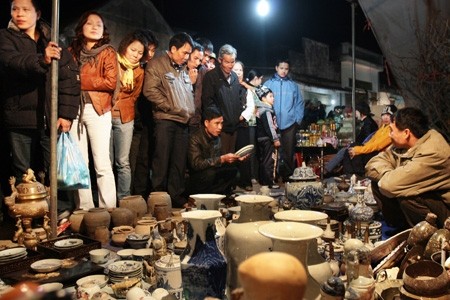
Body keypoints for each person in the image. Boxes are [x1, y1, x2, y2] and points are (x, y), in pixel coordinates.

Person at [0, 0, 80, 183]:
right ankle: (25, 210)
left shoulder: (51, 39)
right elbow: (11, 62)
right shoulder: (5, 37)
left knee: (55, 169)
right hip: (19, 117)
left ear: (38, 13)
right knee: (23, 172)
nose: (19, 14)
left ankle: (59, 209)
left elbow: (69, 76)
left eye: (25, 10)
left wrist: (66, 114)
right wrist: (42, 60)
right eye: (15, 9)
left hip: (49, 118)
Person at [366, 107, 450, 228]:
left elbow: (389, 186)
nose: (389, 135)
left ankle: (428, 236)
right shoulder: (405, 144)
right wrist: (391, 175)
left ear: (406, 133)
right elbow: (372, 163)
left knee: (407, 195)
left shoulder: (433, 152)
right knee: (378, 183)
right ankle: (401, 228)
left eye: (391, 130)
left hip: (445, 211)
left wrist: (392, 177)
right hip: (428, 199)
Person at [69, 11, 118, 209]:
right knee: (80, 165)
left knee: (102, 164)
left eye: (99, 24)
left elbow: (110, 81)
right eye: (90, 23)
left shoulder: (108, 52)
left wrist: (81, 80)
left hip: (99, 109)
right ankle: (84, 210)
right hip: (74, 109)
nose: (95, 26)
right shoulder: (71, 51)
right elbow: (65, 79)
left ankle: (109, 210)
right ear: (82, 27)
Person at [142, 32, 195, 208]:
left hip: (183, 121)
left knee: (179, 163)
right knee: (161, 160)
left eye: (189, 54)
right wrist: (170, 107)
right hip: (165, 120)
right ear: (173, 49)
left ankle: (177, 198)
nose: (187, 57)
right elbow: (150, 91)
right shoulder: (157, 64)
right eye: (184, 53)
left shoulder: (183, 69)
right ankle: (158, 199)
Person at [110, 31, 147, 200]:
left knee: (123, 162)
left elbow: (135, 95)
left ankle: (124, 199)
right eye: (133, 50)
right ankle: (107, 198)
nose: (136, 55)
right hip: (105, 113)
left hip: (126, 116)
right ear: (125, 47)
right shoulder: (112, 61)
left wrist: (124, 104)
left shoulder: (139, 71)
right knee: (106, 161)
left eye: (140, 53)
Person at [187, 106, 248, 195]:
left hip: (211, 171)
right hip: (196, 177)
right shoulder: (195, 138)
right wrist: (221, 159)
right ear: (206, 123)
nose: (220, 127)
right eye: (216, 123)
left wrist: (236, 159)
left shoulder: (217, 137)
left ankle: (219, 195)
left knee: (234, 171)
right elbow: (196, 164)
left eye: (221, 123)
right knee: (210, 174)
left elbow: (219, 159)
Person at [129, 29, 159, 198]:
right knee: (134, 160)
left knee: (146, 159)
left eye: (154, 50)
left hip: (148, 121)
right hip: (133, 120)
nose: (150, 54)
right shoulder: (134, 67)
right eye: (149, 49)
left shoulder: (151, 68)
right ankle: (134, 195)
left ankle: (143, 193)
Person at [264, 59, 304, 179]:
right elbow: (260, 101)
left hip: (289, 124)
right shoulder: (268, 84)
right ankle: (271, 177)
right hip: (272, 123)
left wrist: (297, 120)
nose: (284, 71)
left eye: (286, 69)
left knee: (288, 152)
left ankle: (287, 177)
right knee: (271, 152)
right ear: (276, 68)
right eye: (281, 68)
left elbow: (300, 103)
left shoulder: (293, 85)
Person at [202, 44, 242, 154]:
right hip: (220, 128)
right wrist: (219, 120)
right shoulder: (211, 76)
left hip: (234, 127)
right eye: (227, 62)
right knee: (221, 161)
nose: (230, 65)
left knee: (232, 160)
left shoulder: (234, 77)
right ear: (220, 60)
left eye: (232, 61)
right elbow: (208, 102)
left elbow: (238, 98)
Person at [324, 101, 378, 176]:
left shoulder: (368, 123)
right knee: (343, 150)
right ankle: (329, 169)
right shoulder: (367, 122)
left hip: (364, 148)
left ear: (360, 111)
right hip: (361, 146)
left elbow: (367, 139)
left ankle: (327, 170)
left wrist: (354, 145)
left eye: (356, 111)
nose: (355, 113)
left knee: (344, 151)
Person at [343, 104, 397, 176]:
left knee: (355, 152)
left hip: (380, 153)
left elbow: (377, 146)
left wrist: (359, 150)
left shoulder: (391, 129)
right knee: (351, 148)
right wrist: (359, 148)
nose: (385, 117)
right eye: (383, 115)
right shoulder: (383, 127)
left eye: (388, 115)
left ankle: (359, 176)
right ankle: (350, 176)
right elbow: (371, 141)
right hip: (373, 150)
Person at [233, 61, 256, 190]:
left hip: (243, 124)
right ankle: (231, 182)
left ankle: (246, 181)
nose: (238, 72)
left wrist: (243, 116)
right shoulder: (227, 86)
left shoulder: (247, 88)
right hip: (230, 124)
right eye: (235, 69)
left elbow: (251, 106)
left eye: (240, 70)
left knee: (244, 154)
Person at [255, 86, 280, 186]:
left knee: (263, 160)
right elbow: (270, 126)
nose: (273, 98)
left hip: (262, 139)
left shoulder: (261, 109)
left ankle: (263, 181)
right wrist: (275, 139)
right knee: (269, 161)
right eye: (270, 96)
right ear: (263, 98)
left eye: (273, 96)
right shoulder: (266, 111)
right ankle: (269, 182)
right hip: (267, 139)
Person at [186, 42, 204, 133]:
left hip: (196, 121)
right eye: (195, 58)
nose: (197, 63)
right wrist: (190, 83)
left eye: (200, 60)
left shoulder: (202, 72)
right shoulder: (179, 70)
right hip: (182, 119)